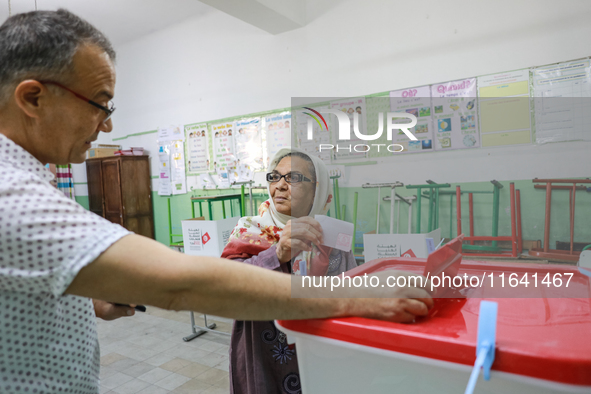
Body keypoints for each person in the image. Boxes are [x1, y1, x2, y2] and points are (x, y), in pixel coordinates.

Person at [0, 9, 433, 393]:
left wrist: (85, 300)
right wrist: (355, 296)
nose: (108, 127)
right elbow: (182, 281)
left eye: (296, 179)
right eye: (100, 104)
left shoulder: (26, 181)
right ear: (33, 98)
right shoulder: (12, 195)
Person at [222, 148, 356, 393]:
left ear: (318, 190)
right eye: (275, 177)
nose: (280, 186)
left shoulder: (333, 238)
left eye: (293, 178)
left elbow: (353, 294)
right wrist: (278, 254)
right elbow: (224, 287)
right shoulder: (249, 231)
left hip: (322, 353)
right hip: (263, 354)